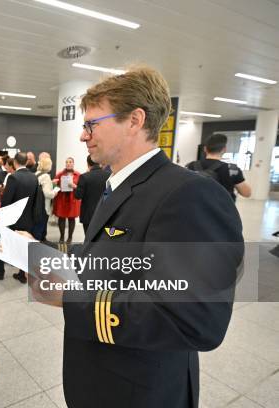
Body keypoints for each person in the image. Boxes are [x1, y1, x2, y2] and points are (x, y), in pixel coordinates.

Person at [29, 65, 243, 408]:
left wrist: (71, 297)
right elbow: (116, 256)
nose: (84, 136)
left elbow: (196, 319)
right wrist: (51, 254)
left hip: (140, 391)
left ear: (135, 120)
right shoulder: (119, 185)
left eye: (92, 125)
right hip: (103, 378)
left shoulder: (189, 194)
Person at [0, 152, 38, 283]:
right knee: (24, 246)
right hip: (28, 218)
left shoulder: (14, 178)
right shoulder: (34, 177)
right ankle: (21, 274)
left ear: (15, 163)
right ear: (26, 162)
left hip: (12, 218)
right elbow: (37, 200)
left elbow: (7, 201)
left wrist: (0, 218)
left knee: (1, 242)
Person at [186, 133, 251, 201]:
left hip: (196, 209)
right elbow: (246, 193)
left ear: (205, 149)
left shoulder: (191, 166)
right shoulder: (232, 169)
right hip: (223, 210)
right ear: (224, 149)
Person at [74, 155, 110, 234]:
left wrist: (75, 187)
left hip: (88, 214)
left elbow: (78, 196)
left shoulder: (84, 177)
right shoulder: (109, 175)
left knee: (88, 238)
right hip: (104, 212)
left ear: (88, 164)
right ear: (99, 162)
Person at [53, 157, 81, 243]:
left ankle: (70, 237)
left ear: (73, 163)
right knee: (61, 218)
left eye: (70, 162)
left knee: (71, 219)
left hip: (73, 200)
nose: (68, 163)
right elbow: (55, 187)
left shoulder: (78, 175)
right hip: (62, 199)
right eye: (67, 162)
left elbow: (81, 188)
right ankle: (61, 237)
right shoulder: (59, 174)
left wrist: (74, 186)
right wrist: (54, 184)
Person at [31, 156, 58, 242]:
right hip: (43, 207)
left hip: (35, 206)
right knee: (40, 229)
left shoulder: (36, 174)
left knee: (35, 229)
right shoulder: (46, 176)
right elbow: (47, 194)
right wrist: (55, 192)